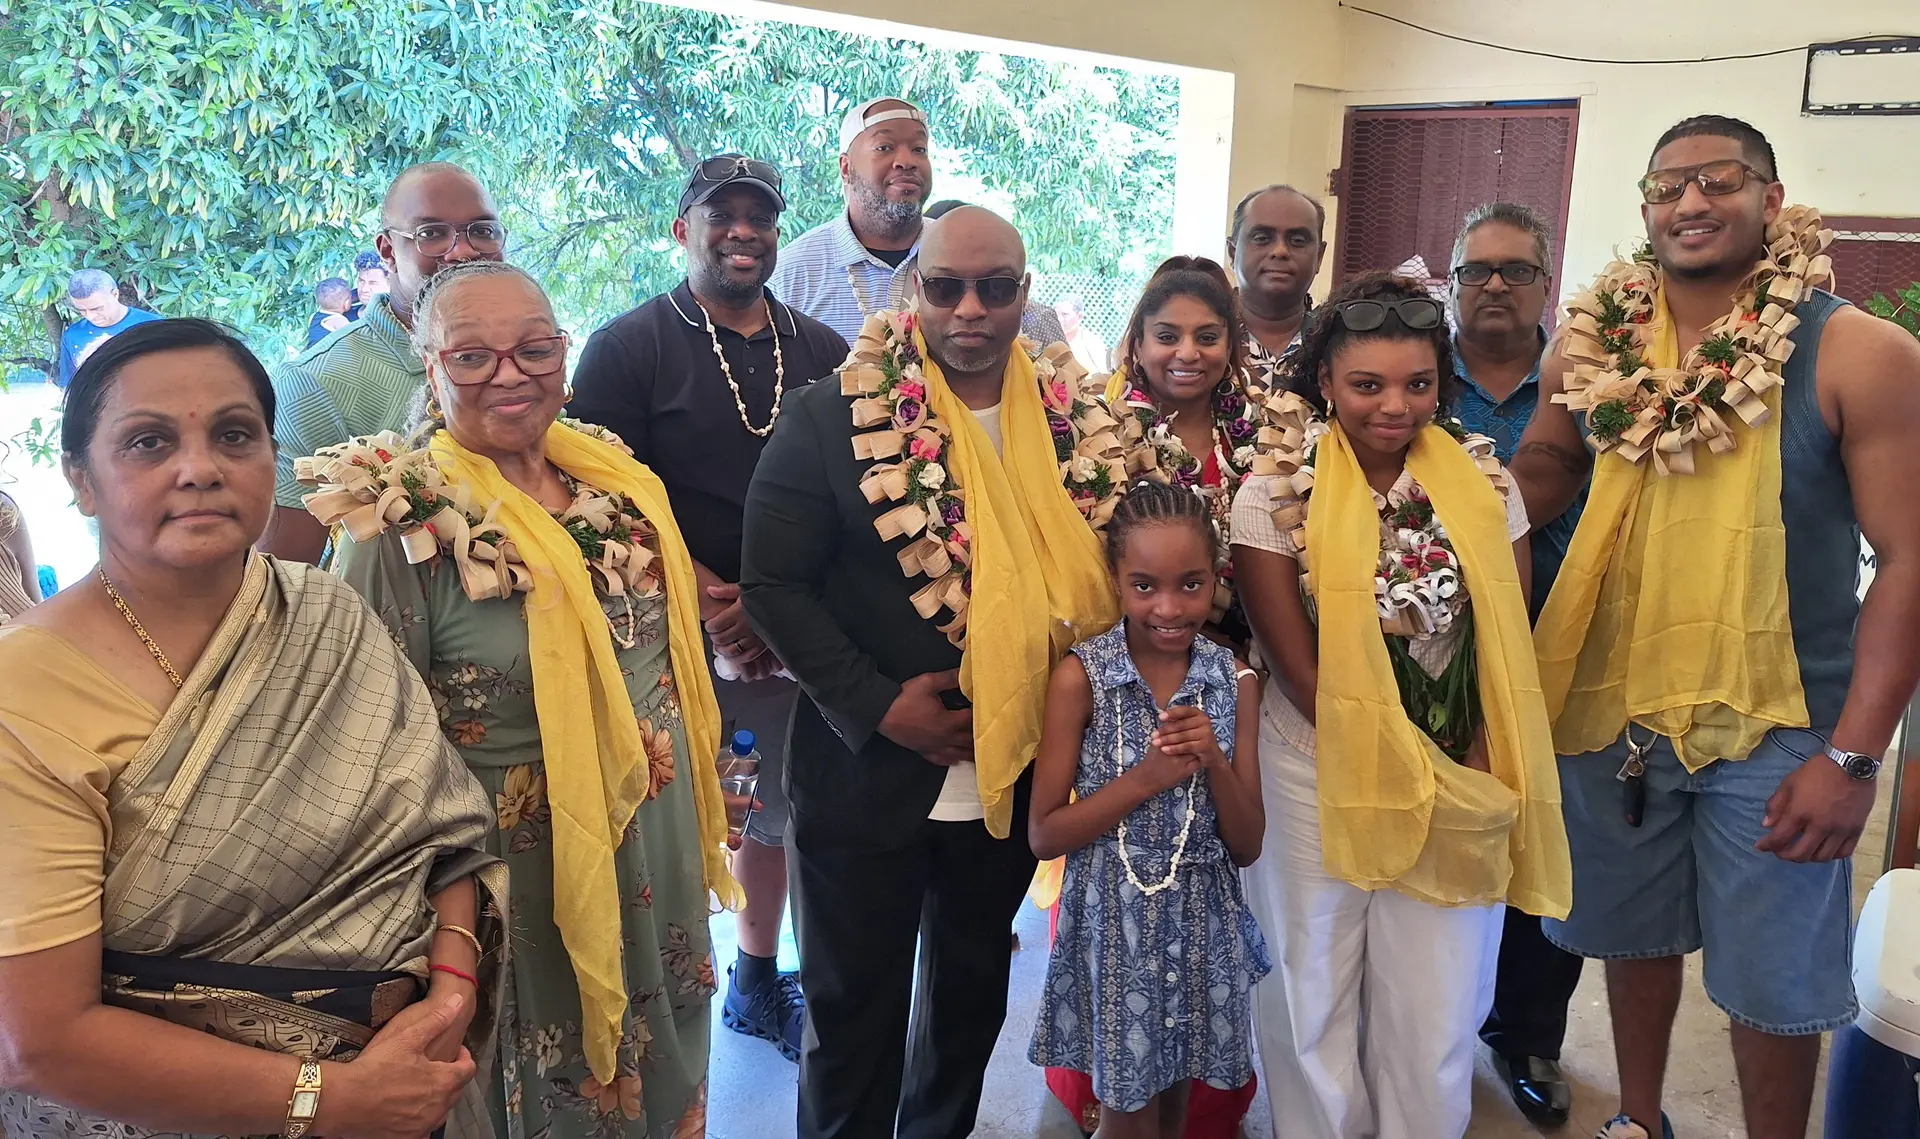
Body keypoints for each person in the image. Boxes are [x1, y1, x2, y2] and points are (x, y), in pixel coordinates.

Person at [1511, 114, 1920, 1139]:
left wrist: (1855, 757)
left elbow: (1913, 558)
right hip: (1611, 703)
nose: (1691, 201)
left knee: (1775, 983)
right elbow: (1551, 469)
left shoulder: (1859, 351)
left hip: (1780, 722)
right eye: (1668, 186)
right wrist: (1439, 527)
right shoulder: (1592, 339)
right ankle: (1639, 1119)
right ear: (1645, 209)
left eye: (1721, 180)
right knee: (1632, 940)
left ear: (1772, 202)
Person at [0, 318, 504, 1139]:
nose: (199, 468)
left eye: (234, 434)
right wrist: (334, 1100)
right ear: (81, 481)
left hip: (407, 1083)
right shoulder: (24, 689)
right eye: (147, 442)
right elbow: (38, 1038)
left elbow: (441, 835)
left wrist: (451, 981)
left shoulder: (325, 614)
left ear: (274, 455)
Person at [317, 260, 744, 1139]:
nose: (510, 373)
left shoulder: (616, 481)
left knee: (666, 1050)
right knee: (549, 1078)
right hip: (511, 871)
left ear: (563, 352)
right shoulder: (400, 524)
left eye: (535, 348)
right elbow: (365, 750)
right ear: (426, 365)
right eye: (470, 356)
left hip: (653, 842)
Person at [741, 206, 1122, 1139]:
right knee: (851, 1014)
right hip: (870, 774)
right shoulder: (833, 415)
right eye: (947, 285)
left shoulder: (1079, 424)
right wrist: (876, 705)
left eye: (997, 288)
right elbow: (774, 582)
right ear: (914, 289)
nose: (971, 309)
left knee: (966, 1003)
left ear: (1024, 294)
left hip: (1014, 771)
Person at [1230, 273, 1571, 1139]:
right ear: (1324, 384)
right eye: (1367, 385)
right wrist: (1386, 745)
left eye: (1418, 384)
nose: (1395, 406)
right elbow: (1296, 666)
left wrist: (1475, 751)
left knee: (1441, 999)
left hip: (1457, 768)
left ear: (1442, 385)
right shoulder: (1270, 493)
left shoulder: (1488, 489)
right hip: (1316, 766)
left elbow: (1505, 644)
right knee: (1311, 991)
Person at [567, 153, 849, 1065]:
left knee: (783, 812)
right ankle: (661, 999)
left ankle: (762, 979)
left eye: (758, 217)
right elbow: (600, 493)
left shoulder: (821, 350)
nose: (741, 231)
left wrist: (771, 607)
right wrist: (698, 590)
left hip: (788, 631)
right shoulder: (628, 345)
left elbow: (850, 492)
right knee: (672, 822)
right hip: (659, 632)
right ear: (682, 228)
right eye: (719, 214)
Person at [1027, 481, 1269, 1139]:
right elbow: (1045, 831)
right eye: (1144, 586)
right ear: (1116, 578)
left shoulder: (1234, 679)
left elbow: (1247, 843)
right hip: (1114, 931)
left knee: (1176, 1113)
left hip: (1201, 929)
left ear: (1215, 576)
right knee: (1127, 1118)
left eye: (1190, 585)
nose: (1168, 607)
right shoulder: (1084, 676)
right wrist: (1147, 777)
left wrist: (1214, 761)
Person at [1446, 201, 1588, 1126]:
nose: (1495, 284)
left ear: (1547, 282)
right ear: (1450, 285)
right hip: (1438, 644)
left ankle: (1527, 1032)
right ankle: (1437, 1024)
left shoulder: (1591, 376)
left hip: (1568, 639)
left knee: (1553, 834)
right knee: (1453, 827)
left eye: (1516, 269)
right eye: (1476, 270)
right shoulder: (1412, 364)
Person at [261, 162, 505, 565]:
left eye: (481, 231)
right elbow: (286, 577)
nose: (462, 250)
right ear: (387, 250)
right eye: (431, 234)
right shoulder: (315, 382)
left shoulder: (532, 360)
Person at [767, 101, 1067, 347]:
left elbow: (1028, 325)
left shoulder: (960, 249)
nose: (906, 161)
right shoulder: (794, 272)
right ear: (846, 168)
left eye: (919, 149)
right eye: (885, 147)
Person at [1226, 185, 1326, 389]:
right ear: (1232, 252)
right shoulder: (1200, 338)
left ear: (1319, 257)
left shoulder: (1338, 339)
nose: (1280, 251)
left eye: (1297, 241)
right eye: (1262, 238)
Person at [56, 270, 161, 388]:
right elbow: (69, 387)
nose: (90, 316)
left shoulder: (154, 326)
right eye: (82, 310)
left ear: (115, 294)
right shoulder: (72, 335)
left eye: (97, 308)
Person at [1054, 294, 1108, 373]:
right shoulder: (1050, 338)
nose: (1059, 318)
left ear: (1080, 316)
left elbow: (1104, 373)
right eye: (1056, 314)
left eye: (1065, 314)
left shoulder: (1092, 342)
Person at [307, 276, 355, 346]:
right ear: (346, 304)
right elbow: (354, 338)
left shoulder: (313, 317)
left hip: (311, 354)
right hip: (326, 356)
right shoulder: (339, 320)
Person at [349, 250, 390, 320]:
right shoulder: (340, 318)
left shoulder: (400, 323)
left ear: (390, 285)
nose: (364, 289)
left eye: (373, 283)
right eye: (361, 281)